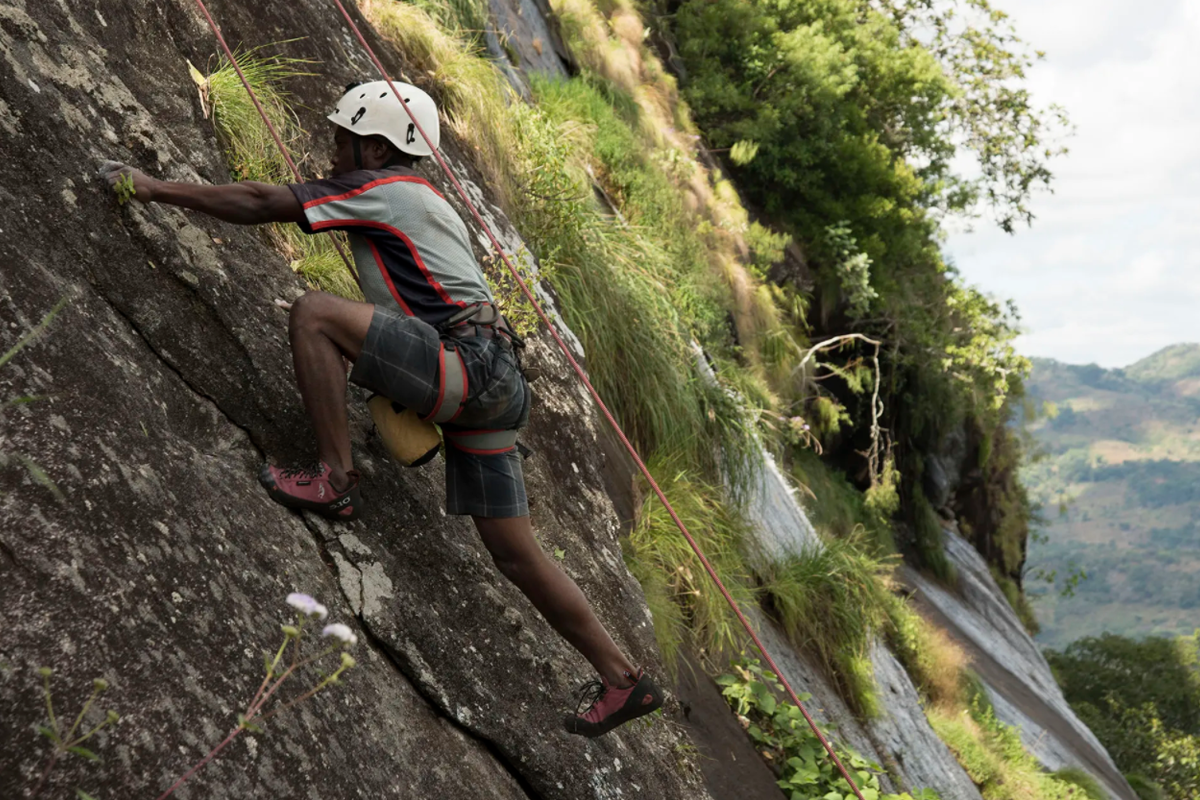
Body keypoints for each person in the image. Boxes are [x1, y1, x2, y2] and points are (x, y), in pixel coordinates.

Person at [102, 80, 662, 737]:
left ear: (374, 146)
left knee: (314, 314)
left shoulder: (387, 189)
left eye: (342, 139)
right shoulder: (423, 199)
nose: (332, 150)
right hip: (498, 383)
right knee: (514, 552)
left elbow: (261, 200)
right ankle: (623, 679)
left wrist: (152, 187)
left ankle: (332, 480)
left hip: (465, 366)